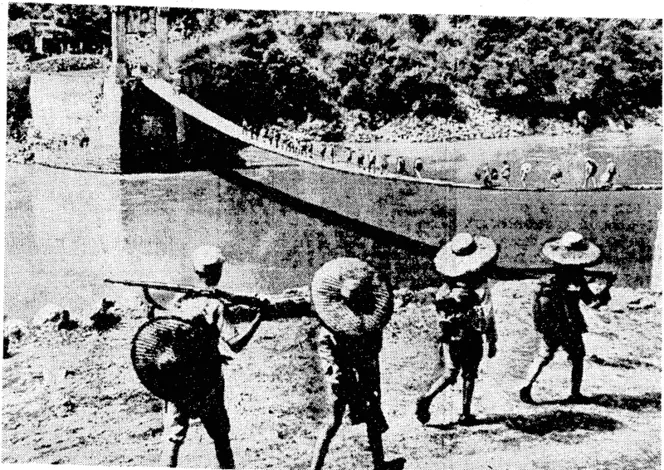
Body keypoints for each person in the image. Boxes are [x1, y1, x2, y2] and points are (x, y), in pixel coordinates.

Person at [162, 246, 264, 468]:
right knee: (220, 437)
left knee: (173, 437)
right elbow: (235, 344)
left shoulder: (177, 303)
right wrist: (258, 319)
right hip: (207, 380)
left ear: (196, 271)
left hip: (178, 379)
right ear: (217, 273)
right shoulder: (214, 304)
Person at [310, 258, 405, 470]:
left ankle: (378, 463)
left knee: (352, 421)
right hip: (347, 381)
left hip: (357, 378)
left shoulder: (335, 332)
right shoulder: (346, 333)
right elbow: (335, 368)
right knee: (336, 422)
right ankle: (316, 468)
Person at [519, 232, 615, 404]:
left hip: (550, 324)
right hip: (570, 325)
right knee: (577, 357)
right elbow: (592, 303)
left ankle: (526, 386)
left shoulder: (547, 279)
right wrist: (606, 289)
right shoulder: (576, 279)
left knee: (543, 356)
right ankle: (575, 393)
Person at [415, 233, 499, 425]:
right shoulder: (480, 285)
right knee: (470, 373)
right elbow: (488, 314)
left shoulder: (447, 286)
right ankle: (465, 413)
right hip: (471, 334)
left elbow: (439, 308)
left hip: (450, 333)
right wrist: (491, 339)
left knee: (450, 372)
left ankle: (427, 397)